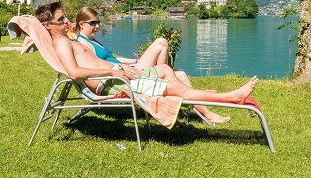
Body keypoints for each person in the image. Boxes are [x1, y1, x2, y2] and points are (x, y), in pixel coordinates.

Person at [34, 2, 257, 105]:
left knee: (165, 71)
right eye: (61, 19)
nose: (67, 21)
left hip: (116, 78)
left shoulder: (66, 40)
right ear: (48, 25)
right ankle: (231, 97)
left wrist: (119, 67)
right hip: (112, 84)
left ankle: (205, 97)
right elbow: (74, 73)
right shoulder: (63, 43)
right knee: (175, 88)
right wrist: (116, 71)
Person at [72, 7, 230, 123]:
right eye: (93, 23)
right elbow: (100, 65)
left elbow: (113, 59)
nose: (97, 26)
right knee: (174, 66)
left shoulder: (92, 41)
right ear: (82, 23)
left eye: (98, 22)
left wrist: (133, 61)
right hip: (120, 76)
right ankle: (206, 112)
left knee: (163, 46)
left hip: (125, 70)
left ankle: (178, 90)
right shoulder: (82, 44)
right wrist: (123, 68)